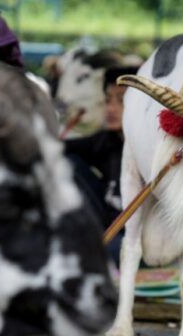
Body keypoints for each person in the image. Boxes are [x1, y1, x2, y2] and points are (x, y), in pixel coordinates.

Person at [65, 66, 139, 263]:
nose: (110, 108)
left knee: (97, 253)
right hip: (108, 227)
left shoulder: (153, 148)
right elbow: (58, 146)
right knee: (67, 163)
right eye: (107, 100)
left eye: (121, 100)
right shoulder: (106, 141)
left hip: (139, 240)